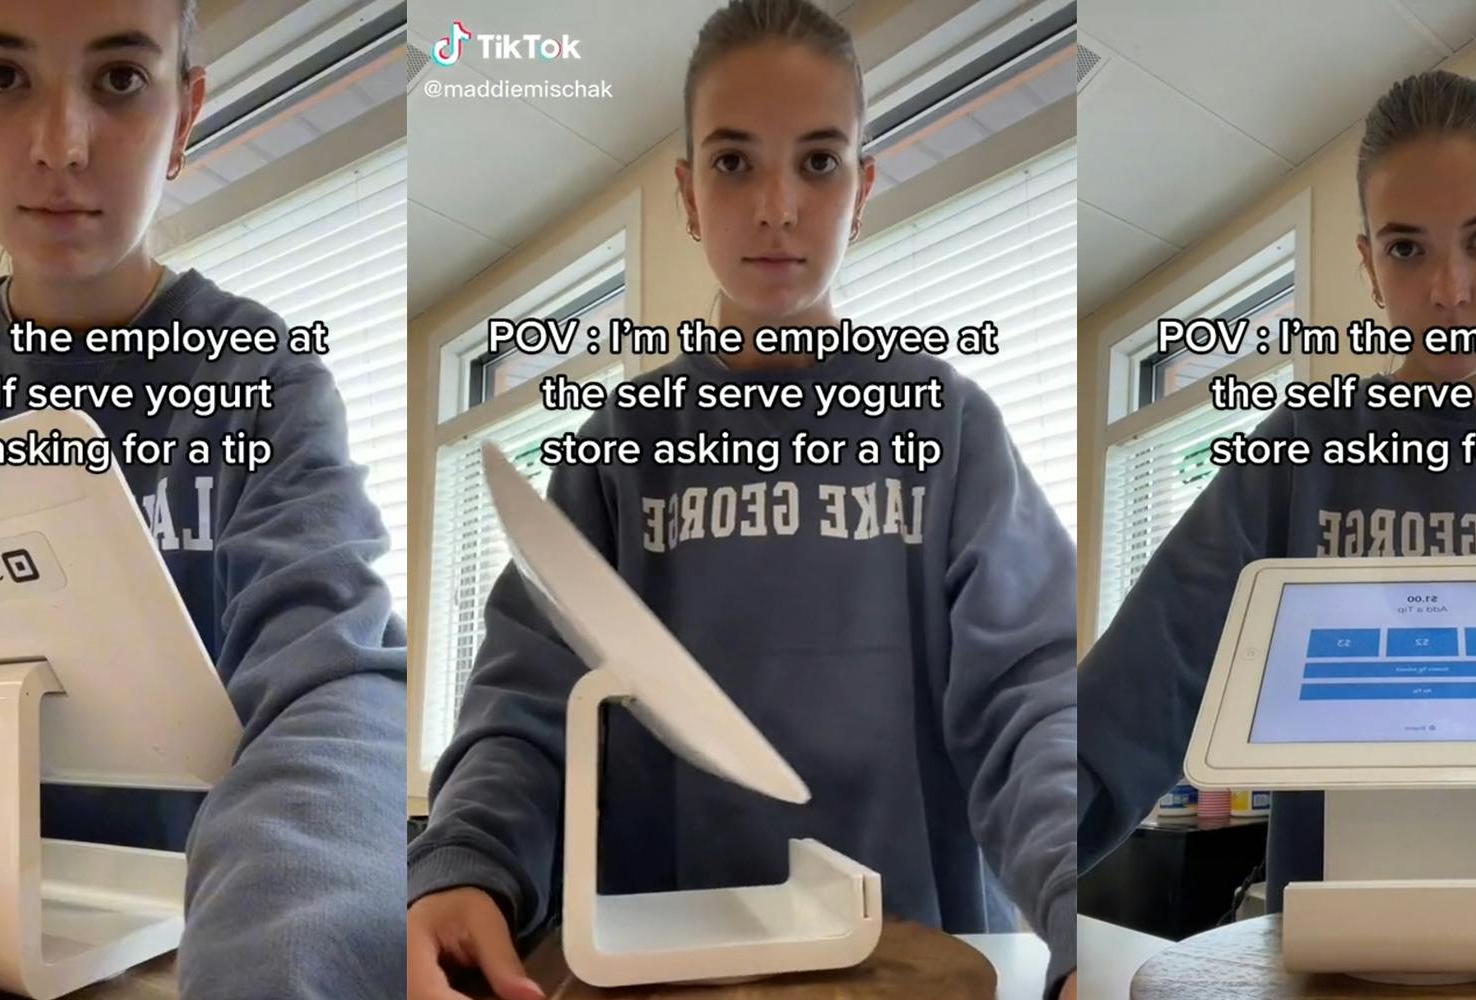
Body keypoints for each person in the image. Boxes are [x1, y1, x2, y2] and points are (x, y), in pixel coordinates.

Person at [406, 2, 1078, 998]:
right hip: (653, 972)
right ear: (685, 193)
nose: (775, 205)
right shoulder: (614, 457)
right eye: (731, 163)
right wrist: (465, 866)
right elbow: (527, 710)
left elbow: (1035, 699)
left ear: (861, 190)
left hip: (909, 969)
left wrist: (1077, 904)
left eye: (816, 162)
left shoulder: (945, 429)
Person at [0, 2, 408, 998]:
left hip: (180, 951)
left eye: (119, 80)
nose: (61, 148)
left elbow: (333, 685)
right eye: (6, 79)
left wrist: (277, 959)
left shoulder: (260, 379)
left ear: (184, 118)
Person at [1076, 70, 1476, 936]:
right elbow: (1145, 679)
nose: (1450, 290)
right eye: (1407, 248)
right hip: (1344, 945)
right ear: (1368, 265)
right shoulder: (1294, 460)